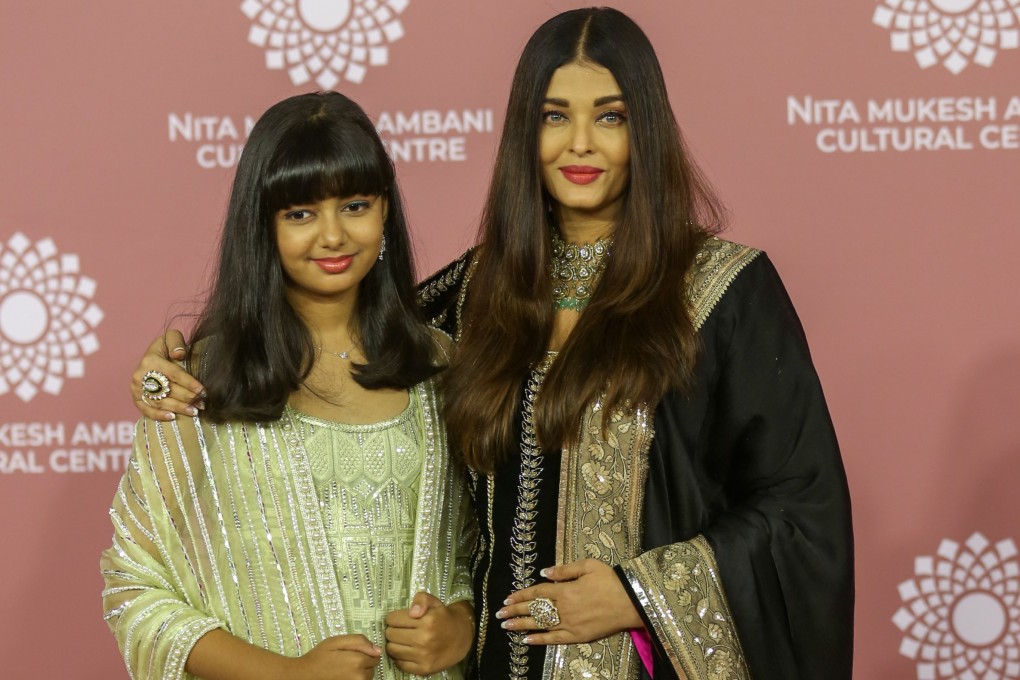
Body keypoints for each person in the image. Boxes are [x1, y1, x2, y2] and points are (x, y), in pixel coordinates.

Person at [130, 8, 854, 680]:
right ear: (522, 133)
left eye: (610, 117)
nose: (580, 144)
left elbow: (802, 512)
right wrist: (189, 363)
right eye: (553, 118)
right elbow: (340, 327)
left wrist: (637, 592)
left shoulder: (723, 294)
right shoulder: (476, 298)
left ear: (648, 130)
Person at [102, 91, 476, 680]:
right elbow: (135, 585)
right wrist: (286, 673)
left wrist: (460, 624)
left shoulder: (442, 368)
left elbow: (485, 550)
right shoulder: (200, 384)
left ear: (385, 211)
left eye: (355, 205)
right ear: (263, 227)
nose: (332, 235)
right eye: (300, 213)